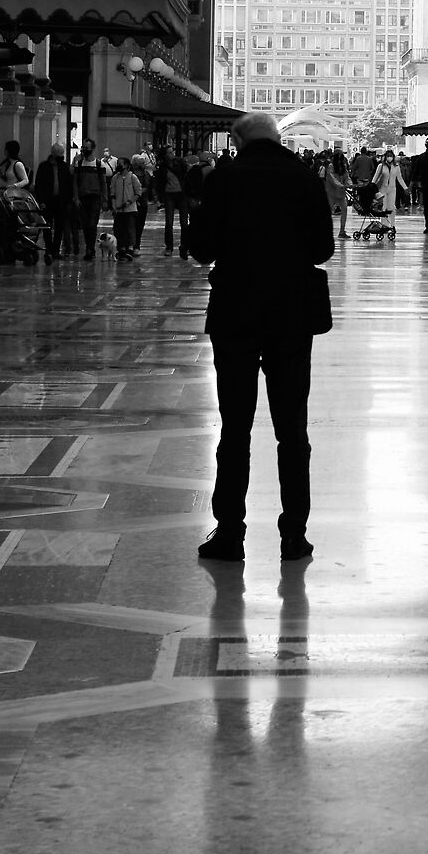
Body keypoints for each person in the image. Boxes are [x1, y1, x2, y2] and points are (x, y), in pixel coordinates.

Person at [187, 111, 335, 562]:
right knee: (292, 429)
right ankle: (294, 535)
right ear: (277, 137)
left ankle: (230, 533)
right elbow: (323, 249)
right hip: (292, 312)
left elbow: (201, 249)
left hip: (236, 310)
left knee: (235, 427)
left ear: (238, 140)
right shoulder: (304, 177)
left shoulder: (224, 178)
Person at [33, 145, 75, 261]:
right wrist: (41, 201)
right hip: (47, 201)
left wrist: (68, 201)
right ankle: (49, 247)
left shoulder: (65, 167)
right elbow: (39, 185)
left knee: (59, 226)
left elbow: (69, 185)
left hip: (61, 201)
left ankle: (55, 250)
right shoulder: (43, 167)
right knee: (47, 225)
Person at [108, 155, 146, 260]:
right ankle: (121, 248)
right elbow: (112, 193)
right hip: (119, 209)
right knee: (119, 229)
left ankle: (130, 247)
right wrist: (114, 205)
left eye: (121, 164)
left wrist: (131, 201)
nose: (118, 166)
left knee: (130, 228)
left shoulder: (132, 177)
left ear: (127, 166)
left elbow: (138, 191)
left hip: (130, 209)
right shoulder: (115, 178)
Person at [74, 143, 108, 256]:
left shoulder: (99, 164)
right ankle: (89, 247)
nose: (84, 149)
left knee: (92, 224)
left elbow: (103, 183)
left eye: (86, 148)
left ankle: (90, 248)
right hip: (83, 198)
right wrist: (76, 198)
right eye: (83, 147)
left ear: (92, 148)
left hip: (95, 198)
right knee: (85, 224)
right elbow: (75, 183)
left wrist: (105, 200)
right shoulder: (78, 164)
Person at [158, 153, 189, 253]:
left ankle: (184, 245)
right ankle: (169, 246)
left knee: (184, 222)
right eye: (169, 152)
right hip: (169, 194)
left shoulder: (180, 164)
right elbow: (160, 182)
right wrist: (160, 197)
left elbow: (185, 174)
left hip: (181, 194)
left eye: (172, 152)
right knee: (169, 222)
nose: (172, 154)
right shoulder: (163, 167)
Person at [321, 152, 349, 240]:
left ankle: (342, 231)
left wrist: (349, 184)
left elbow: (347, 177)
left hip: (340, 193)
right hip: (331, 193)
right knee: (328, 211)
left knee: (344, 209)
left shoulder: (343, 167)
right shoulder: (331, 167)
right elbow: (332, 178)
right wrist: (341, 185)